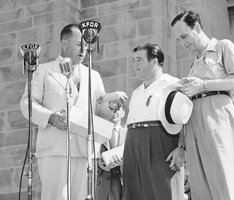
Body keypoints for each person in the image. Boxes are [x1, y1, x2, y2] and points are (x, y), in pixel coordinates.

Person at [20, 24, 127, 200]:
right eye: (79, 44)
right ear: (64, 44)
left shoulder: (93, 75)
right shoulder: (44, 71)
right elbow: (27, 103)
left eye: (86, 45)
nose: (84, 49)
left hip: (86, 149)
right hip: (55, 148)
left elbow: (99, 110)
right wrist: (50, 117)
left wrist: (112, 106)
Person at [171, 10, 234, 200]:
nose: (182, 43)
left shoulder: (223, 47)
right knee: (199, 185)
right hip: (194, 122)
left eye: (183, 36)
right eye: (178, 40)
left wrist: (204, 85)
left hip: (217, 116)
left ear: (196, 27)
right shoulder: (192, 64)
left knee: (222, 180)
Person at [123, 43, 186, 200]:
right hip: (132, 145)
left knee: (163, 193)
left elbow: (187, 120)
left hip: (161, 143)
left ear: (155, 61)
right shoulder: (136, 92)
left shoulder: (174, 84)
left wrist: (182, 147)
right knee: (134, 193)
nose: (135, 65)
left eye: (139, 60)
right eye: (133, 61)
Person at [96, 105, 126, 200]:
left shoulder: (129, 134)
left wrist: (123, 164)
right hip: (100, 187)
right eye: (113, 109)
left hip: (120, 188)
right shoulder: (98, 132)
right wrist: (99, 165)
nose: (115, 112)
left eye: (118, 109)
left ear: (123, 113)